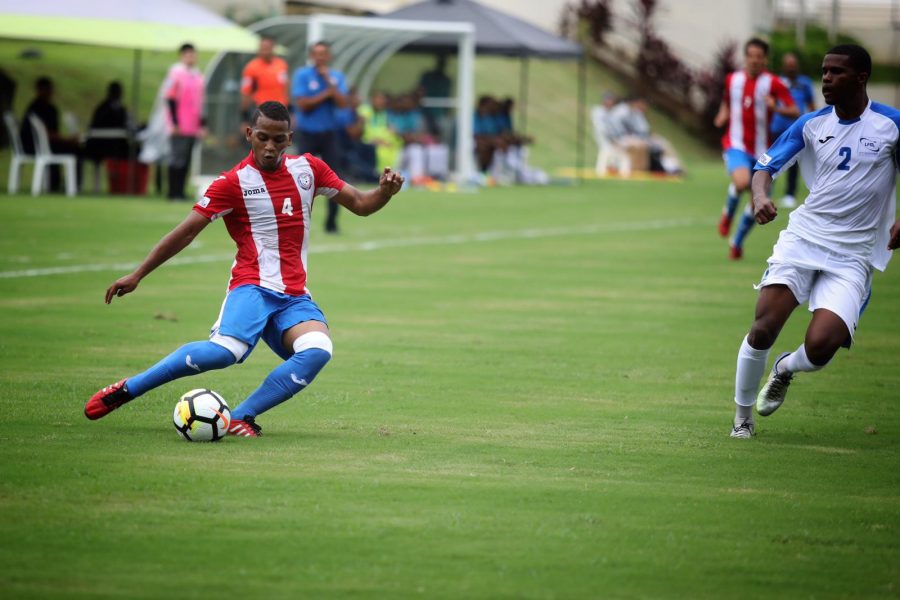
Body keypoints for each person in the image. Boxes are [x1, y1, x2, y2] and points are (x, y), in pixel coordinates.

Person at [84, 101, 404, 437]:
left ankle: (240, 417)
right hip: (252, 287)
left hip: (294, 296)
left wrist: (385, 192)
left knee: (318, 351)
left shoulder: (309, 170)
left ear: (290, 138)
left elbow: (361, 204)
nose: (270, 147)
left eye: (278, 139)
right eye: (263, 137)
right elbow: (187, 231)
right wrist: (138, 274)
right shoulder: (231, 183)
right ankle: (128, 389)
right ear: (249, 134)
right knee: (225, 353)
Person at [729, 44, 900, 439]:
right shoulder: (810, 124)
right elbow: (765, 167)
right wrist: (760, 196)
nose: (826, 78)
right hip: (804, 239)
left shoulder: (891, 125)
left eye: (836, 72)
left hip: (853, 254)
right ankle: (742, 418)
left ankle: (785, 368)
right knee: (763, 327)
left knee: (822, 347)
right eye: (824, 71)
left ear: (861, 78)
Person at [714, 38, 799, 260]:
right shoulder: (732, 79)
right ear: (745, 57)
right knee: (742, 182)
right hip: (736, 144)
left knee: (758, 201)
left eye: (759, 56)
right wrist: (723, 114)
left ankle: (737, 242)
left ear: (765, 59)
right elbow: (727, 100)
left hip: (763, 151)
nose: (754, 60)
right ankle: (727, 213)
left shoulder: (773, 83)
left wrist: (776, 107)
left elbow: (794, 110)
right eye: (750, 55)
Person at [292, 41, 348, 233]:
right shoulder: (303, 75)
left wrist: (330, 84)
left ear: (329, 56)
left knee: (334, 178)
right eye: (317, 53)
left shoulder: (336, 77)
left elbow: (343, 104)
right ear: (311, 56)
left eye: (323, 53)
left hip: (329, 134)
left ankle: (331, 222)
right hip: (307, 133)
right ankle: (295, 220)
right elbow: (303, 105)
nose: (320, 57)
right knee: (300, 177)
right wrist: (327, 94)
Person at [770, 52, 817, 209]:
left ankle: (790, 194)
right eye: (788, 66)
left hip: (797, 129)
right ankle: (767, 192)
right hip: (777, 128)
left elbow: (811, 104)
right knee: (772, 160)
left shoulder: (804, 83)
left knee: (794, 163)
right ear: (783, 67)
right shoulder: (777, 82)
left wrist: (814, 124)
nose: (791, 68)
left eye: (793, 65)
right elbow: (770, 104)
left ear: (797, 66)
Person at [20, 76, 82, 192]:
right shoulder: (37, 108)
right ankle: (70, 185)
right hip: (34, 146)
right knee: (75, 150)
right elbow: (46, 134)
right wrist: (67, 140)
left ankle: (63, 184)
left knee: (70, 148)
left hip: (43, 144)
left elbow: (52, 133)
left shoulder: (47, 108)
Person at [164, 43, 205, 201]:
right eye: (187, 55)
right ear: (181, 56)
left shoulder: (197, 75)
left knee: (186, 159)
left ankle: (181, 191)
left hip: (192, 126)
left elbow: (201, 102)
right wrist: (174, 122)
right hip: (179, 125)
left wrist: (202, 124)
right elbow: (170, 98)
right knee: (177, 158)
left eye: (193, 54)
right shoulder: (175, 73)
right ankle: (173, 191)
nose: (191, 58)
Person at [240, 36, 289, 124]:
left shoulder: (281, 64)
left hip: (280, 111)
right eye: (263, 48)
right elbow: (246, 92)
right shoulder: (251, 67)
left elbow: (286, 86)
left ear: (273, 48)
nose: (265, 51)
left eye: (267, 48)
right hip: (262, 111)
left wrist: (290, 108)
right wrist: (244, 117)